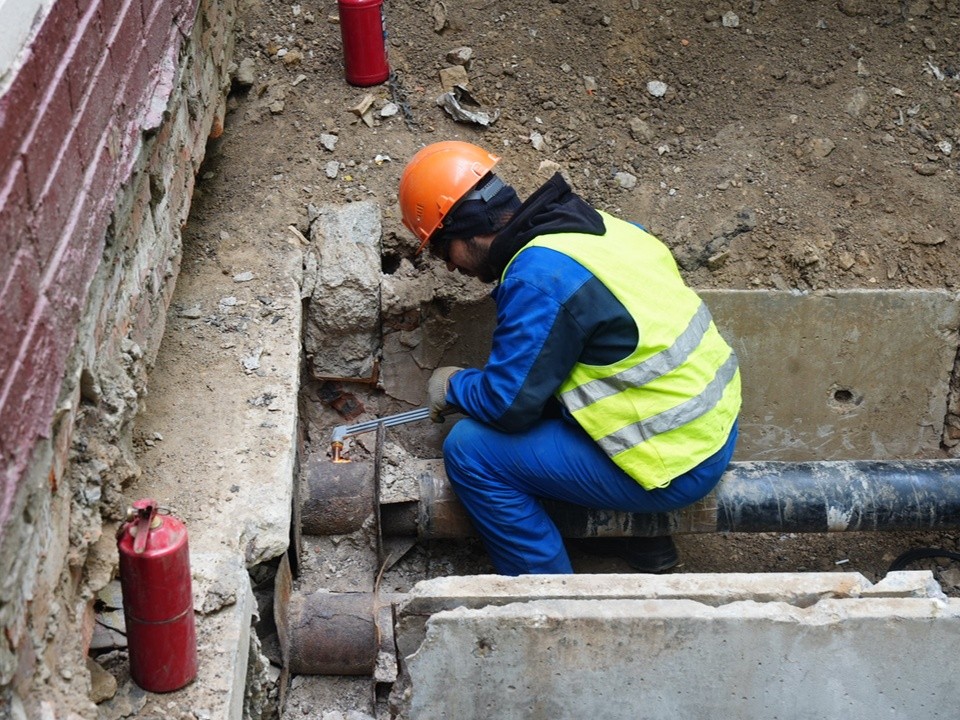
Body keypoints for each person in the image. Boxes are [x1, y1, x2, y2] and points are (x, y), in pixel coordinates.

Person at [398, 141, 741, 576]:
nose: (447, 267)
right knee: (561, 396)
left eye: (439, 250)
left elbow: (508, 406)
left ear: (463, 229)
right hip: (709, 428)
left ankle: (548, 598)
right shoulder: (600, 229)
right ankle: (647, 543)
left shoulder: (539, 278)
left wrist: (454, 386)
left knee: (471, 451)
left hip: (673, 462)